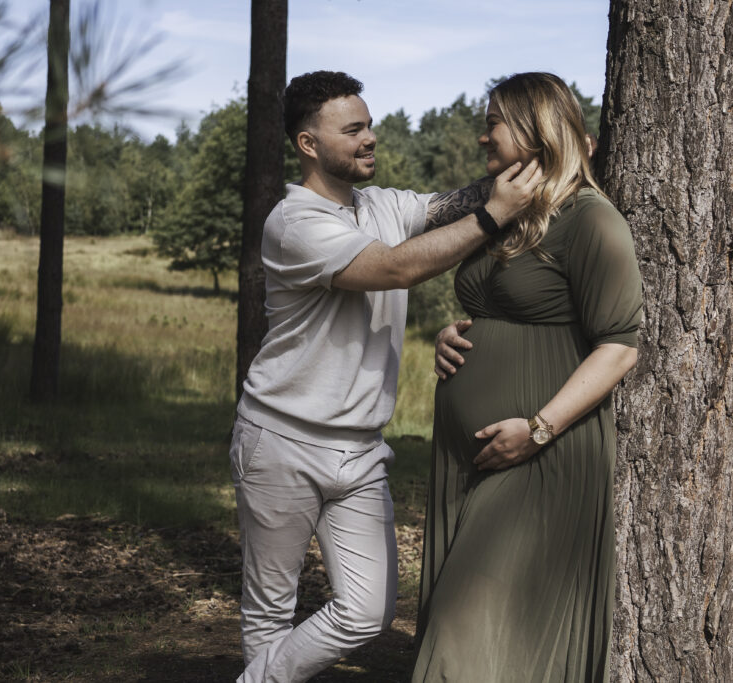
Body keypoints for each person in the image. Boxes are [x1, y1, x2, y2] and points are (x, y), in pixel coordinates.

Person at [230, 70, 541, 683]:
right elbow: (394, 269)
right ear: (308, 144)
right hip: (280, 442)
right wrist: (495, 216)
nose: (370, 137)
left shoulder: (383, 205)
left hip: (361, 450)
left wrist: (539, 159)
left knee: (368, 611)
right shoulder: (294, 222)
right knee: (270, 610)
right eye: (353, 130)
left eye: (369, 124)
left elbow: (460, 200)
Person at [413, 72, 643, 682]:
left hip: (540, 453)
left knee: (463, 632)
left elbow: (619, 348)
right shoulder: (502, 212)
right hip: (473, 452)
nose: (482, 135)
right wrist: (454, 336)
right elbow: (491, 306)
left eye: (493, 122)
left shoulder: (592, 221)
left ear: (534, 129)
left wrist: (537, 430)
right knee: (490, 636)